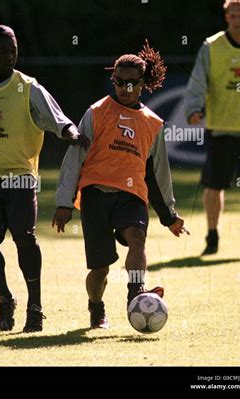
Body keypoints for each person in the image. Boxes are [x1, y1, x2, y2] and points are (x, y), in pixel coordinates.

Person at [0, 25, 89, 333]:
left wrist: (72, 134)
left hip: (21, 176)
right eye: (3, 51)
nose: (10, 56)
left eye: (14, 50)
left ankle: (35, 307)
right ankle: (5, 297)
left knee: (25, 238)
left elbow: (58, 119)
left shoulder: (28, 87)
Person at [52, 41, 187, 329]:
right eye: (119, 82)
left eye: (132, 83)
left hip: (131, 195)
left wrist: (169, 216)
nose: (125, 88)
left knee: (137, 238)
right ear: (113, 81)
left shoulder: (153, 123)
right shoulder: (97, 112)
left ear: (143, 84)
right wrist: (65, 202)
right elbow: (75, 157)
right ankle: (96, 306)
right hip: (95, 194)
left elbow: (157, 173)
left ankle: (135, 291)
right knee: (100, 268)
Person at [184, 0, 240, 255]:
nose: (237, 19)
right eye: (232, 14)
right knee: (214, 186)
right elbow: (197, 81)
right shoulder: (212, 46)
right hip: (222, 129)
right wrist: (193, 110)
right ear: (226, 17)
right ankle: (212, 235)